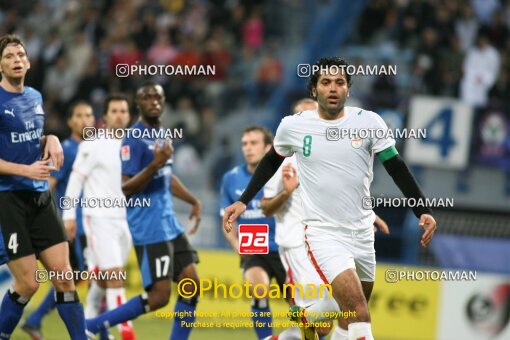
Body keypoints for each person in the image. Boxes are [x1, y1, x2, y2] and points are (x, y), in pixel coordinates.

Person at [223, 57, 437, 340]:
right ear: (314, 90)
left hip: (362, 235)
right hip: (323, 235)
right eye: (326, 82)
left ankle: (294, 327)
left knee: (345, 317)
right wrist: (244, 199)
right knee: (359, 312)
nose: (333, 88)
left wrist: (421, 209)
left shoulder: (369, 122)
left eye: (340, 83)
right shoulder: (294, 126)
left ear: (348, 89)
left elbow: (396, 167)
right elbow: (271, 160)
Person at [262, 98, 390, 340]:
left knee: (346, 309)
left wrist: (370, 215)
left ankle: (293, 324)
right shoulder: (284, 162)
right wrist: (287, 191)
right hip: (297, 244)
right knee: (324, 325)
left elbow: (342, 195)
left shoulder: (328, 158)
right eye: (306, 114)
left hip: (330, 241)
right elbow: (265, 207)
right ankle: (299, 319)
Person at [85, 81, 202, 340]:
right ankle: (94, 325)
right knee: (159, 297)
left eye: (158, 97)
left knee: (191, 286)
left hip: (169, 223)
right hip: (149, 226)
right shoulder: (133, 139)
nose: (154, 101)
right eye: (147, 97)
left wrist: (192, 200)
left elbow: (167, 175)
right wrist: (154, 165)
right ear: (138, 104)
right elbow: (126, 187)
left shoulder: (163, 133)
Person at [0, 34, 87, 339]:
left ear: (29, 61)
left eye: (20, 55)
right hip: (8, 200)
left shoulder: (35, 97)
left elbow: (23, 142)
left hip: (40, 197)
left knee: (64, 278)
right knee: (28, 284)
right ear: (0, 64)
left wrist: (49, 138)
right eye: (9, 55)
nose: (16, 60)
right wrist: (26, 169)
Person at [22, 101, 101, 340]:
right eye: (79, 115)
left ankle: (35, 320)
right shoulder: (66, 149)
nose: (85, 119)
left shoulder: (92, 149)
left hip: (88, 223)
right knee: (73, 276)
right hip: (71, 225)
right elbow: (49, 185)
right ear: (70, 122)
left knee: (75, 276)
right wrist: (52, 221)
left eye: (89, 115)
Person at [62, 94, 135, 339]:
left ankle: (88, 326)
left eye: (123, 111)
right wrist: (69, 216)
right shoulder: (93, 144)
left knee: (104, 280)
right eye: (114, 110)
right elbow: (75, 179)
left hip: (125, 221)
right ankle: (127, 334)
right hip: (98, 218)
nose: (119, 115)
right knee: (115, 278)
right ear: (105, 117)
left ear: (129, 116)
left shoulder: (132, 145)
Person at [220, 126, 286, 340]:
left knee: (303, 305)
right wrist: (236, 244)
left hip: (286, 247)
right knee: (257, 289)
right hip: (254, 249)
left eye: (254, 143)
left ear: (268, 147)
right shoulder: (231, 178)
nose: (248, 148)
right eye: (244, 144)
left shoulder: (285, 173)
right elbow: (227, 219)